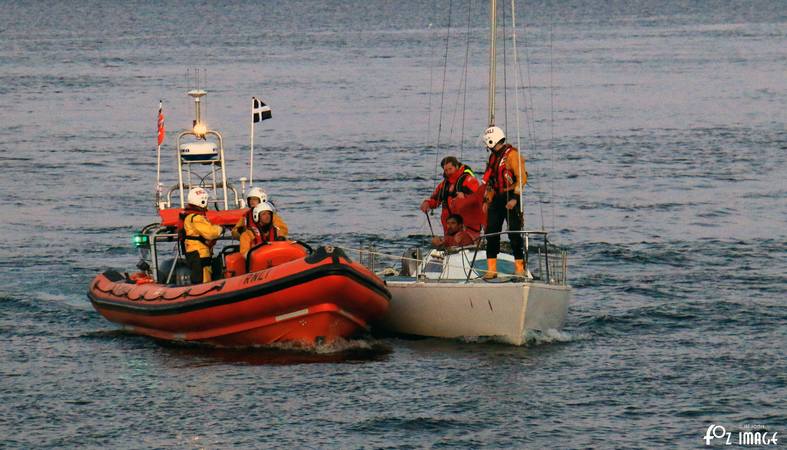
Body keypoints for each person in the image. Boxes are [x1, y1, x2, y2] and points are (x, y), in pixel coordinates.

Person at [480, 126, 527, 278]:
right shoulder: (493, 158)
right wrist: (487, 200)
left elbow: (522, 178)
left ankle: (520, 268)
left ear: (492, 140)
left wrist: (515, 198)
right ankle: (491, 269)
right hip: (497, 199)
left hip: (511, 197)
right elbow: (491, 181)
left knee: (514, 233)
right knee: (491, 233)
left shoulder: (512, 155)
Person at [419, 156, 483, 234]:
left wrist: (465, 197)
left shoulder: (469, 180)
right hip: (449, 228)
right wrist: (427, 203)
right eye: (446, 170)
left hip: (467, 227)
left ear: (456, 166)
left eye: (450, 169)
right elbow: (435, 199)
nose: (448, 172)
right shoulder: (444, 184)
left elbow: (479, 199)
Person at [181, 187, 223, 283]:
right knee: (203, 278)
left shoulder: (190, 216)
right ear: (202, 202)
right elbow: (210, 233)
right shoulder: (196, 218)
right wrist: (220, 229)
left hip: (196, 253)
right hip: (199, 255)